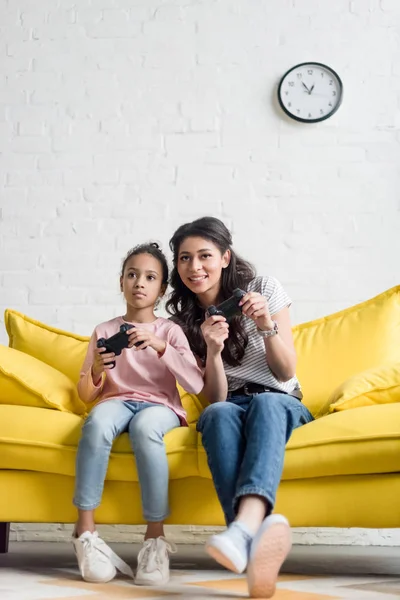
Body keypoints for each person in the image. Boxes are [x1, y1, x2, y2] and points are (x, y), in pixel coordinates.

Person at [167, 217, 314, 599]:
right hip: (230, 403)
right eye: (184, 258)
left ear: (226, 257)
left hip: (280, 401)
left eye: (204, 256)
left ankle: (244, 528)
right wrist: (212, 350)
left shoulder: (263, 288)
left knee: (266, 401)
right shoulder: (182, 324)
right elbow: (214, 400)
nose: (194, 267)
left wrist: (265, 323)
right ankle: (254, 553)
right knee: (215, 415)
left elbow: (285, 371)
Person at [72, 242, 204, 586]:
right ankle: (85, 533)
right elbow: (87, 395)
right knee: (97, 422)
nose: (139, 283)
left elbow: (195, 381)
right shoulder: (104, 330)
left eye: (149, 277)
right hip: (115, 401)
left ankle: (154, 539)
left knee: (146, 428)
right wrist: (98, 370)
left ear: (161, 289)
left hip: (160, 406)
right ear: (121, 282)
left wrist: (161, 346)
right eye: (132, 275)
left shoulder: (170, 330)